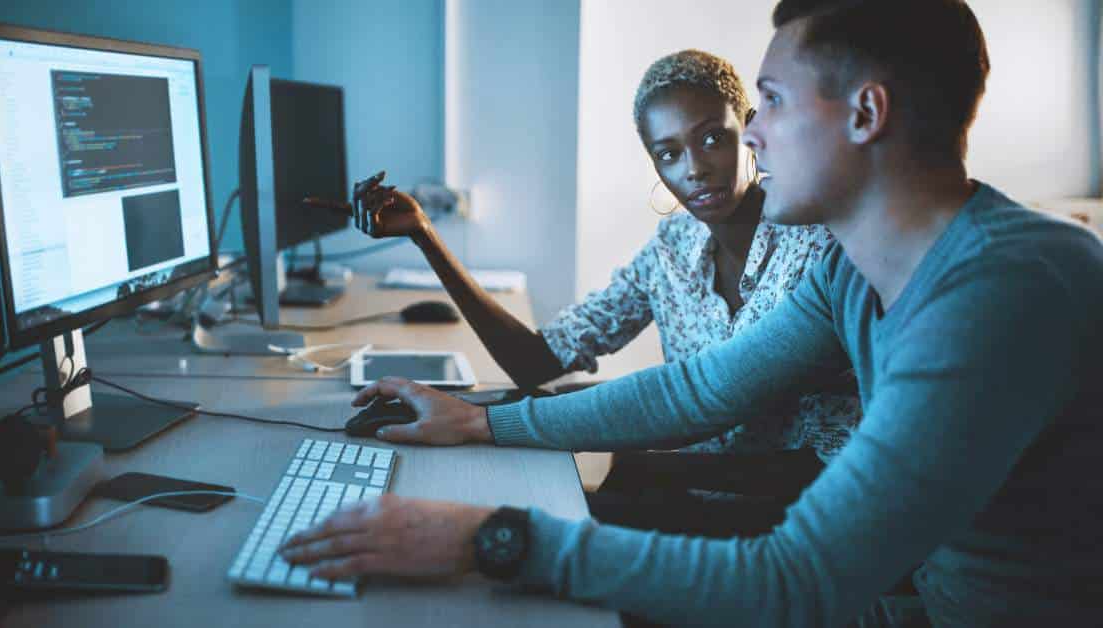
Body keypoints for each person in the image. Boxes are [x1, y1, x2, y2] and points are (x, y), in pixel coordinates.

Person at [281, 1, 1103, 625]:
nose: (753, 139)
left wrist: (489, 536)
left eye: (771, 103)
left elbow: (797, 578)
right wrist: (481, 425)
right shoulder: (856, 271)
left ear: (866, 114)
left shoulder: (1005, 288)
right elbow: (692, 394)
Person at [351, 51, 860, 536]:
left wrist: (657, 471)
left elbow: (708, 403)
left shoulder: (819, 244)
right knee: (513, 491)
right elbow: (537, 361)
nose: (695, 169)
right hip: (705, 490)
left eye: (712, 139)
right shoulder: (673, 247)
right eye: (669, 153)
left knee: (524, 519)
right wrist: (424, 234)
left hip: (801, 517)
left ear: (747, 128)